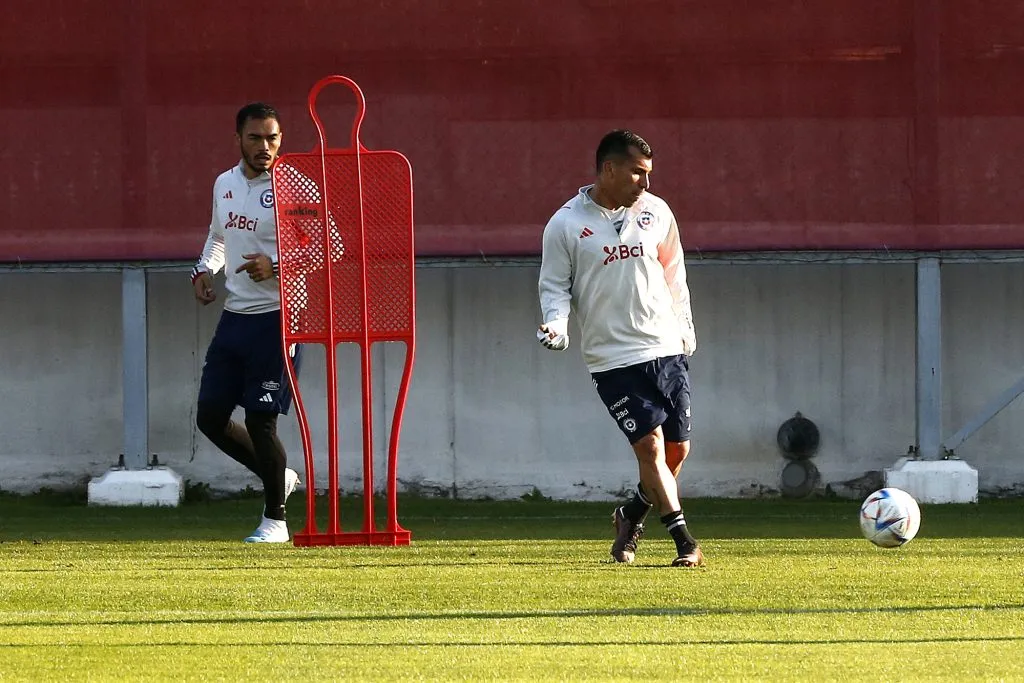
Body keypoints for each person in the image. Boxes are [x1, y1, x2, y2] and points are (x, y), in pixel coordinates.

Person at [537, 129, 703, 567]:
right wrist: (556, 325)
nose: (645, 183)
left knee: (675, 453)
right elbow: (554, 286)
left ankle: (630, 514)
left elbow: (675, 275)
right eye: (637, 173)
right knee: (649, 449)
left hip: (666, 348)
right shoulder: (566, 224)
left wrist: (685, 329)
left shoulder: (657, 212)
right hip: (612, 360)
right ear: (609, 169)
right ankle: (686, 543)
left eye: (648, 174)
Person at [191, 102, 301, 543]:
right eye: (255, 138)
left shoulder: (296, 188)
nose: (265, 146)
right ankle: (281, 476)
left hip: (279, 319)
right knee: (211, 417)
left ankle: (275, 520)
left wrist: (275, 264)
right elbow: (219, 237)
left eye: (272, 137)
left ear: (281, 139)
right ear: (238, 139)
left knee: (261, 420)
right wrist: (203, 271)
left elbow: (329, 248)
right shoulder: (225, 183)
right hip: (236, 316)